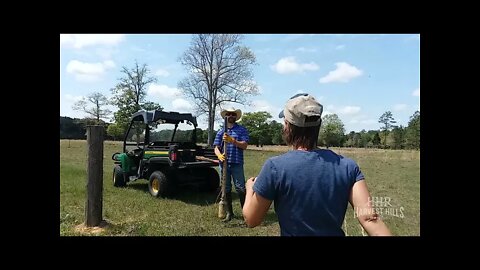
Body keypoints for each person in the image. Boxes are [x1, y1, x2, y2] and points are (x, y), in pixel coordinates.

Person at [242, 93, 392, 236]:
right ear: (318, 125)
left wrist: (250, 189)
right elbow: (369, 219)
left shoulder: (275, 167)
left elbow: (251, 219)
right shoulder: (348, 167)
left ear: (287, 126)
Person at [214, 108, 249, 222]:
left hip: (237, 163)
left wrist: (232, 140)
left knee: (240, 188)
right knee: (226, 189)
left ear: (236, 116)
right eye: (228, 114)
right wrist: (219, 155)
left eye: (233, 114)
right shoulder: (221, 131)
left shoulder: (241, 130)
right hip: (224, 164)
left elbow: (244, 145)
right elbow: (216, 147)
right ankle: (230, 213)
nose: (231, 115)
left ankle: (245, 213)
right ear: (225, 117)